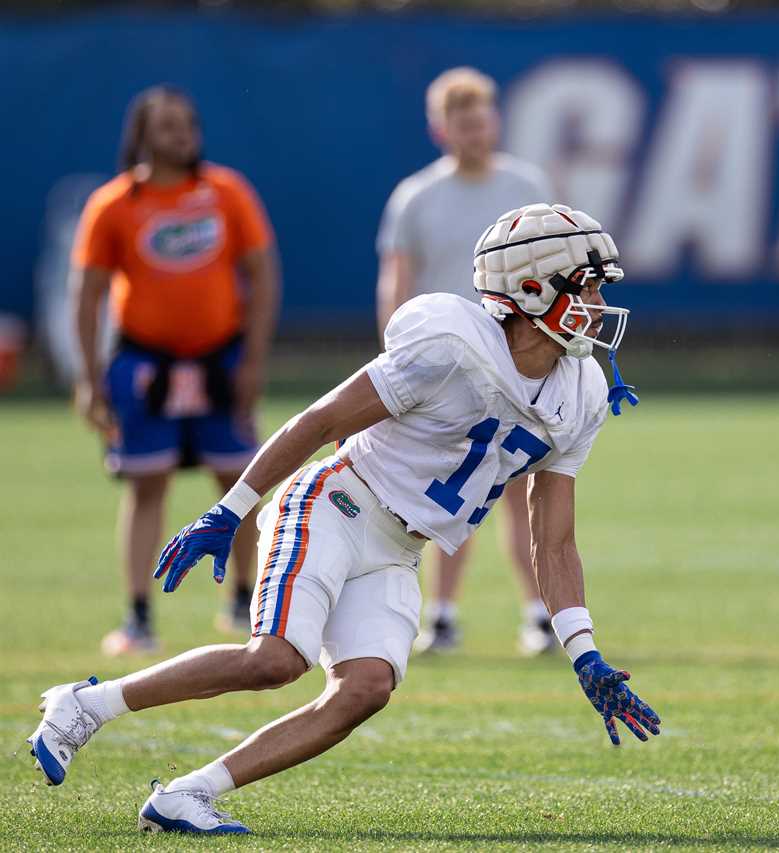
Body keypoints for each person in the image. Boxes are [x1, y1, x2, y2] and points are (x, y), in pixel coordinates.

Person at [27, 203, 653, 835]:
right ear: (530, 288)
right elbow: (320, 421)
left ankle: (187, 795)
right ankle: (86, 705)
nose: (599, 304)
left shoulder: (583, 393)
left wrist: (585, 651)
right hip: (336, 503)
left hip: (402, 548)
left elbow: (554, 539)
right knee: (275, 660)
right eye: (588, 285)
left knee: (365, 688)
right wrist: (230, 509)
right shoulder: (452, 346)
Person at [70, 86, 279, 653]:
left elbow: (262, 275)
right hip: (144, 364)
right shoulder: (114, 204)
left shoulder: (226, 192)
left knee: (240, 482)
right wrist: (90, 378)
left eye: (187, 122)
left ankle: (246, 602)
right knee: (145, 486)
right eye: (166, 125)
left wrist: (254, 360)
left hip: (220, 358)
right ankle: (138, 616)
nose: (181, 133)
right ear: (140, 135)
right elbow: (87, 294)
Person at [378, 67, 556, 656]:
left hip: (519, 358)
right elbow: (398, 283)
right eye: (462, 124)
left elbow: (555, 270)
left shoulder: (526, 186)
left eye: (480, 122)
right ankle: (444, 616)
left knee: (522, 490)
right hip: (448, 368)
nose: (474, 134)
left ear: (493, 122)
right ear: (440, 129)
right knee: (452, 495)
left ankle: (539, 615)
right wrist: (398, 357)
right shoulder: (416, 196)